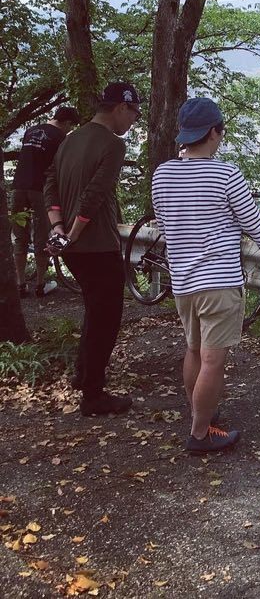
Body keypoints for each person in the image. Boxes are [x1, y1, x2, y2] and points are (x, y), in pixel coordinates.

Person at [151, 96, 260, 454]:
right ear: (214, 132)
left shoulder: (162, 174)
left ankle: (200, 413)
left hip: (184, 282)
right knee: (213, 361)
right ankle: (201, 433)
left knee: (193, 351)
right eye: (221, 130)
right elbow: (256, 225)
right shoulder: (225, 174)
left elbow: (165, 223)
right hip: (218, 282)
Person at [45, 82, 141, 416]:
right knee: (107, 317)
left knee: (93, 308)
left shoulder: (70, 140)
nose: (134, 121)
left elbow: (50, 185)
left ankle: (83, 374)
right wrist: (73, 232)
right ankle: (93, 395)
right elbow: (95, 195)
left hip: (71, 246)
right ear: (120, 108)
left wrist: (59, 230)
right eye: (134, 113)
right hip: (97, 244)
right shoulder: (113, 146)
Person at [11, 106, 80, 297]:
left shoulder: (31, 130)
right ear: (66, 123)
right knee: (41, 238)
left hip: (18, 187)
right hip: (39, 190)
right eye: (70, 126)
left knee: (20, 237)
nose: (69, 130)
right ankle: (40, 285)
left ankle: (20, 284)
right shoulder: (60, 138)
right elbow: (59, 168)